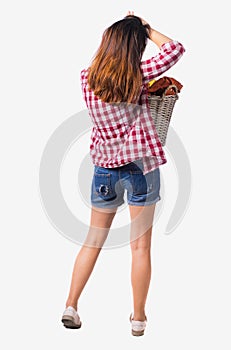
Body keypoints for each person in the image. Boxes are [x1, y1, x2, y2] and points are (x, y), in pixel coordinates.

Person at [61, 11, 185, 336]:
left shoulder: (87, 78)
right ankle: (139, 318)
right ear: (136, 49)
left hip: (103, 171)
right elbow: (175, 49)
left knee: (92, 241)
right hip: (141, 169)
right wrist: (146, 27)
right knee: (141, 248)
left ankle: (71, 305)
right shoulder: (140, 75)